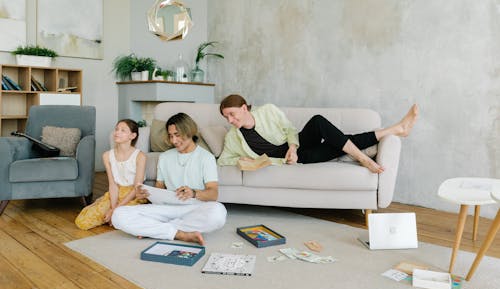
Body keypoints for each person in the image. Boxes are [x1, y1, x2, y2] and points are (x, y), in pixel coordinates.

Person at [217, 94, 419, 173]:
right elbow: (222, 160)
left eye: (232, 115)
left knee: (318, 121)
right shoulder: (233, 137)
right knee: (341, 143)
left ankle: (364, 159)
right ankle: (396, 129)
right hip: (298, 160)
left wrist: (293, 148)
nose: (230, 121)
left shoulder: (267, 110)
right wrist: (240, 160)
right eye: (226, 118)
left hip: (297, 147)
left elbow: (288, 129)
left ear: (244, 108)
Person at [112, 113, 227, 245]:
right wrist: (146, 194)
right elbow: (159, 188)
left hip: (193, 207)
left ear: (189, 131)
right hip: (166, 208)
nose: (173, 140)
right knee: (118, 215)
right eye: (171, 136)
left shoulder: (206, 158)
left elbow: (213, 193)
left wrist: (194, 193)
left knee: (218, 213)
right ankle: (180, 234)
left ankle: (156, 229)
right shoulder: (165, 157)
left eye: (177, 135)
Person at [75, 119, 147, 230]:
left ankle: (113, 217)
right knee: (82, 222)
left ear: (132, 136)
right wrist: (113, 207)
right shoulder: (107, 156)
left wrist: (114, 211)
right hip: (115, 194)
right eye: (117, 129)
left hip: (133, 196)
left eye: (123, 130)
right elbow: (113, 185)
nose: (117, 132)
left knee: (124, 219)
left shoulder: (140, 156)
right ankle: (108, 213)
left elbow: (136, 189)